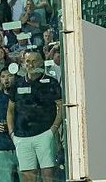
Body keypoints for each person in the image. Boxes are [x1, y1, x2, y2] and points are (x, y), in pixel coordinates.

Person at [7, 51, 62, 182]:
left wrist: (53, 129)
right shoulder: (17, 84)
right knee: (27, 177)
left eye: (34, 61)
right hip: (21, 137)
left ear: (41, 62)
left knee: (48, 176)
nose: (31, 64)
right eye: (28, 61)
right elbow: (10, 110)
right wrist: (12, 134)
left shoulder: (51, 83)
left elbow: (61, 107)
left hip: (45, 134)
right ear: (23, 64)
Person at [0, 68, 19, 182]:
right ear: (0, 80)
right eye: (3, 76)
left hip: (22, 145)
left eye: (9, 76)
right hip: (2, 146)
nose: (6, 79)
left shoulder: (22, 95)